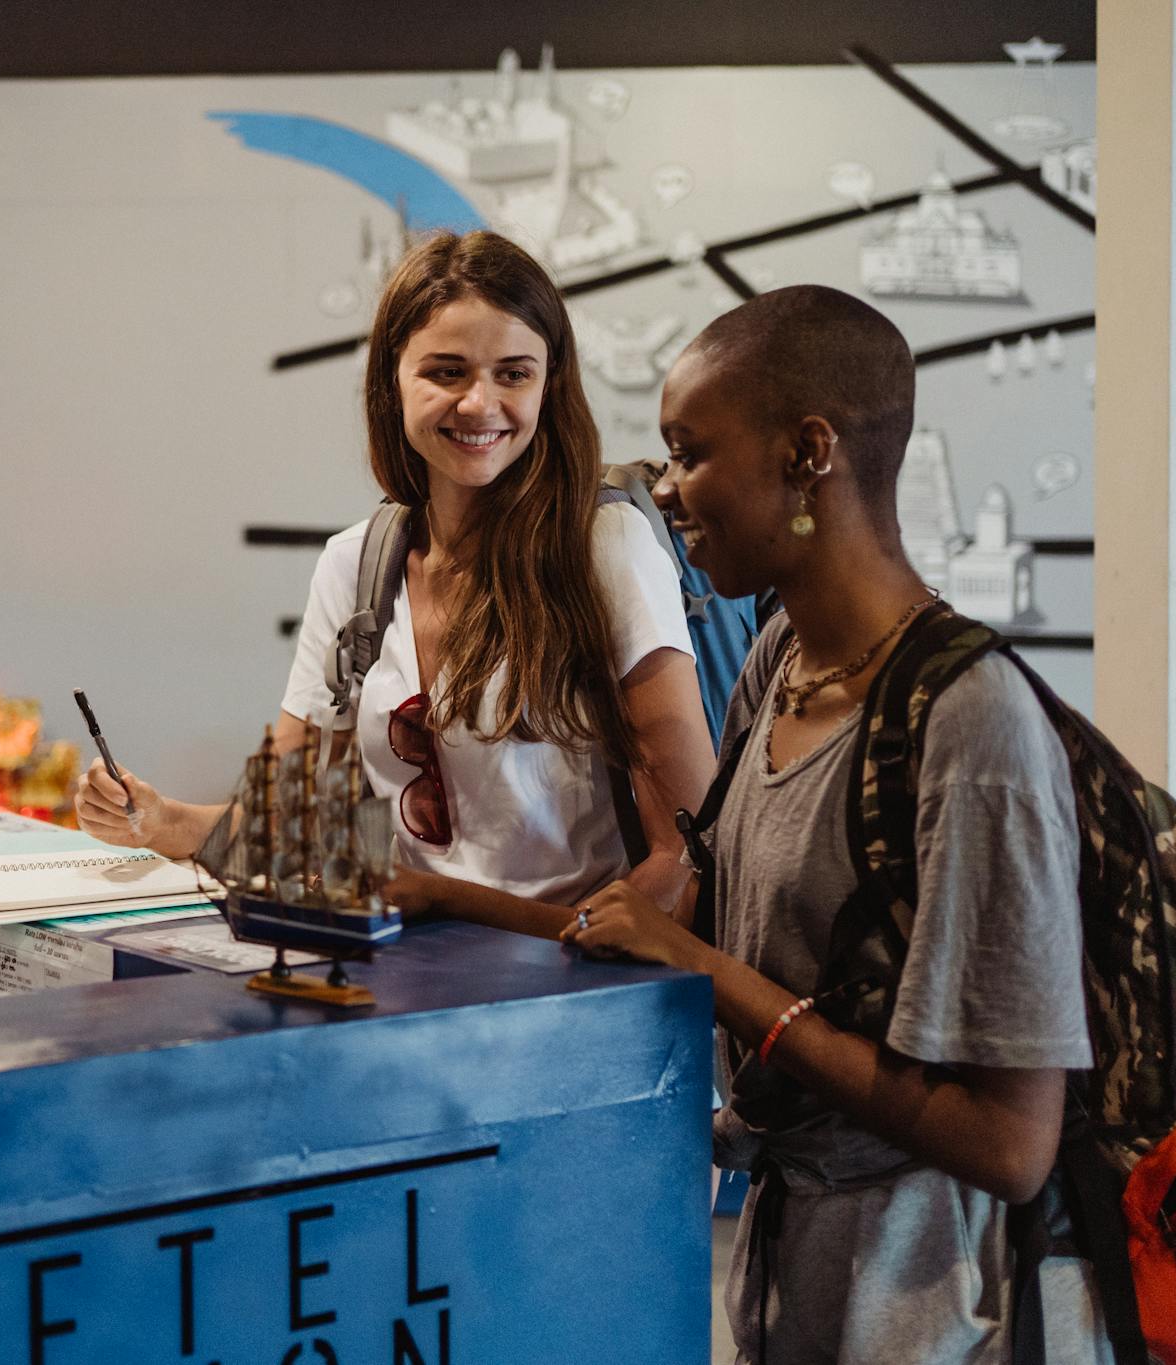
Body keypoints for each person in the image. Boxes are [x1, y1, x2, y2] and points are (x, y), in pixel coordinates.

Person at [563, 285, 1104, 1362]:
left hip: (932, 1308)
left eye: (688, 453)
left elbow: (1007, 1146)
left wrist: (698, 968)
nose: (667, 491)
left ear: (807, 451)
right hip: (793, 1270)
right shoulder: (776, 662)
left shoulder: (970, 724)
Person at [75, 230, 714, 931]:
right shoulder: (356, 564)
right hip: (406, 995)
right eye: (446, 372)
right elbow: (289, 822)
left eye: (513, 373)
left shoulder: (605, 547)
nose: (480, 403)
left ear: (549, 385)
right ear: (391, 381)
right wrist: (159, 820)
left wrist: (454, 903)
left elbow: (683, 861)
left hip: (575, 1001)